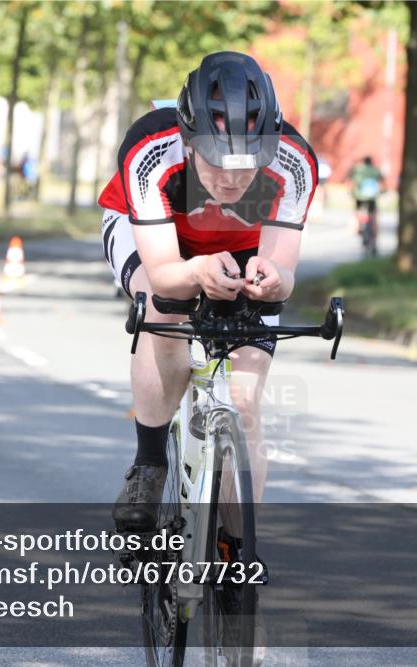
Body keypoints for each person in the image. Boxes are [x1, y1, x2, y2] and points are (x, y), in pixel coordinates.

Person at [97, 53, 317, 556]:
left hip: (243, 244)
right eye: (217, 162)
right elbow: (164, 272)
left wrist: (271, 280)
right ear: (189, 141)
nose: (232, 180)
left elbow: (282, 273)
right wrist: (196, 272)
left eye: (248, 164)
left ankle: (237, 548)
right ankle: (149, 463)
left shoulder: (292, 161)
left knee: (245, 398)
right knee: (163, 306)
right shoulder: (152, 149)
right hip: (158, 237)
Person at [349, 156, 383, 236]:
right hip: (372, 197)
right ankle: (375, 231)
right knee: (373, 214)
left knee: (358, 210)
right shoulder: (375, 170)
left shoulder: (358, 169)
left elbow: (351, 179)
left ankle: (357, 227)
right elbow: (382, 179)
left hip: (359, 196)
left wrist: (351, 191)